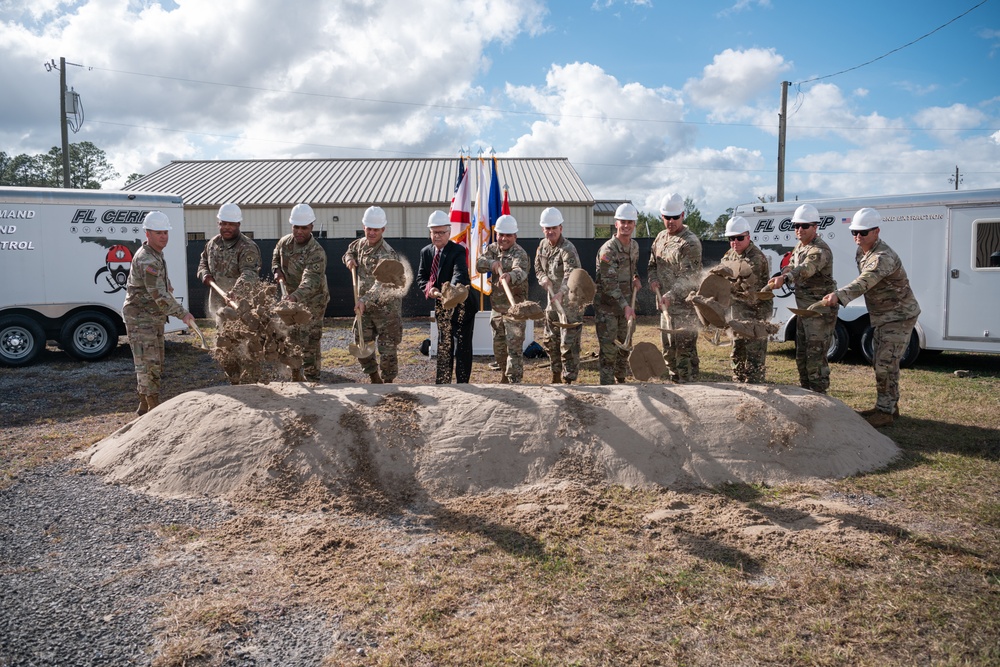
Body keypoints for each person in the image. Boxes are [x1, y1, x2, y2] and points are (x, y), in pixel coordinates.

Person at [821, 207, 920, 427]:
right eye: (854, 232)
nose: (858, 236)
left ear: (876, 231)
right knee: (882, 361)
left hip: (898, 315)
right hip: (885, 315)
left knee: (885, 363)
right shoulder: (862, 252)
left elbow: (865, 281)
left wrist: (839, 296)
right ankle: (888, 407)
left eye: (863, 232)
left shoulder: (882, 256)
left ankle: (885, 411)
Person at [122, 210, 195, 415]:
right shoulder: (147, 259)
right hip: (140, 318)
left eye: (165, 232)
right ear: (148, 234)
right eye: (158, 232)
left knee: (155, 361)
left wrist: (166, 284)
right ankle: (151, 408)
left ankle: (145, 406)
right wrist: (183, 314)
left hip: (151, 317)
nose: (164, 236)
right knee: (148, 363)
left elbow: (158, 286)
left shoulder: (156, 255)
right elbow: (159, 296)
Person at [768, 203, 837, 394]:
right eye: (796, 226)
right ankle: (807, 392)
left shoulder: (819, 249)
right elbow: (792, 264)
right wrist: (785, 271)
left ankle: (819, 395)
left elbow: (806, 269)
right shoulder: (800, 246)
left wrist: (786, 277)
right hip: (804, 311)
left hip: (819, 312)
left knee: (815, 357)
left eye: (804, 226)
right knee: (801, 355)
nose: (799, 229)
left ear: (815, 227)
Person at [196, 202, 262, 383]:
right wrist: (205, 274)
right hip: (219, 307)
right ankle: (233, 379)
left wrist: (235, 292)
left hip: (241, 308)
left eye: (231, 224)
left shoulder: (247, 247)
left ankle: (252, 383)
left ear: (238, 225)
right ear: (219, 223)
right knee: (225, 346)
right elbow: (202, 263)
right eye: (223, 223)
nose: (226, 227)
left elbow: (250, 273)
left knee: (246, 346)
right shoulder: (212, 244)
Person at [342, 206, 402, 384]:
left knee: (387, 350)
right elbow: (349, 251)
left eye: (376, 229)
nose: (372, 233)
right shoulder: (359, 244)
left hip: (387, 310)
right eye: (369, 229)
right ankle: (374, 378)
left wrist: (364, 300)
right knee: (361, 341)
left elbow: (381, 284)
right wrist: (349, 259)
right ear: (364, 227)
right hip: (365, 308)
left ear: (383, 229)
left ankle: (388, 384)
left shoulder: (387, 254)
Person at [417, 210, 478, 384]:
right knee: (444, 343)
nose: (437, 236)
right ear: (430, 233)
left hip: (461, 304)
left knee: (463, 344)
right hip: (441, 304)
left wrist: (449, 291)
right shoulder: (426, 252)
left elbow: (459, 273)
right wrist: (430, 290)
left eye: (441, 232)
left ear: (449, 232)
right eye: (434, 232)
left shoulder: (458, 250)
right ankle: (443, 382)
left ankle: (463, 382)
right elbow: (421, 277)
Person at [272, 203, 330, 382]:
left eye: (303, 227)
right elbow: (275, 256)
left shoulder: (316, 252)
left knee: (310, 339)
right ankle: (296, 376)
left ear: (311, 227)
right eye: (296, 227)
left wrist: (294, 296)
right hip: (290, 298)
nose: (299, 231)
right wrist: (276, 270)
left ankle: (313, 378)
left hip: (313, 300)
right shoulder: (285, 243)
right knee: (291, 336)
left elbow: (310, 281)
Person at [648, 193, 702, 382]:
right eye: (667, 217)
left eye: (675, 217)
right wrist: (652, 280)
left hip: (684, 309)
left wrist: (671, 294)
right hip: (665, 309)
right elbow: (652, 264)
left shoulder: (690, 242)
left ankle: (691, 391)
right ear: (662, 217)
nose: (671, 221)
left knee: (684, 356)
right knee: (669, 353)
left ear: (683, 215)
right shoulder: (660, 237)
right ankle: (675, 387)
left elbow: (690, 277)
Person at [475, 214, 530, 384]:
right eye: (501, 235)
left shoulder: (519, 253)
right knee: (499, 347)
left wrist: (509, 276)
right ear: (496, 234)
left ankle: (515, 382)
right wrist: (491, 263)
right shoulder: (492, 249)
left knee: (514, 348)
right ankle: (504, 376)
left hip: (515, 309)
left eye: (508, 235)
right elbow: (479, 263)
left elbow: (521, 271)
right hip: (497, 308)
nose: (504, 239)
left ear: (515, 236)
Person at [534, 207, 583, 384]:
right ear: (543, 229)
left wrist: (561, 292)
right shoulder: (542, 246)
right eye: (547, 228)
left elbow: (571, 274)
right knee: (551, 341)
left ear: (561, 228)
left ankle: (569, 380)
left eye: (554, 227)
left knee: (568, 343)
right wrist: (543, 278)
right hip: (551, 303)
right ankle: (555, 376)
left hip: (569, 303)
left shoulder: (568, 249)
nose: (551, 231)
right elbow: (538, 268)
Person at [594, 203, 641, 385]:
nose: (626, 226)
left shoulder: (634, 247)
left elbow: (631, 268)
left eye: (630, 222)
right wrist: (625, 306)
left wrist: (635, 277)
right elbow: (609, 284)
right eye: (623, 222)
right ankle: (606, 389)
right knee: (608, 352)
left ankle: (621, 384)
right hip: (609, 309)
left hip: (626, 307)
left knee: (625, 347)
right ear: (616, 224)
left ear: (634, 224)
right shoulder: (608, 250)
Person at [720, 216, 771, 383]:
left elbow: (744, 287)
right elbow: (722, 274)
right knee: (738, 350)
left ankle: (755, 385)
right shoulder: (730, 255)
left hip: (756, 312)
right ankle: (739, 383)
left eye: (739, 238)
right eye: (731, 238)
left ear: (748, 236)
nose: (735, 242)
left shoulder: (756, 258)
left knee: (755, 354)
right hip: (738, 311)